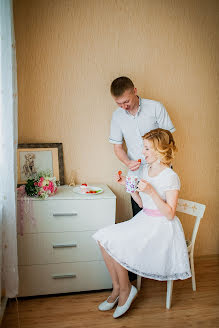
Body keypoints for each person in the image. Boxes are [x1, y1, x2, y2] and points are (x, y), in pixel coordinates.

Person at [93, 128, 191, 318]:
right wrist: (126, 185)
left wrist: (152, 191)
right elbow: (140, 203)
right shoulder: (146, 169)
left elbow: (170, 214)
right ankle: (117, 288)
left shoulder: (170, 176)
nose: (143, 152)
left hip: (162, 227)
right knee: (103, 238)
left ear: (160, 150)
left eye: (146, 148)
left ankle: (126, 291)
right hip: (145, 219)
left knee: (116, 243)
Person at [109, 76, 176, 217]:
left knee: (163, 214)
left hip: (160, 173)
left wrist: (160, 168)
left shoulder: (156, 107)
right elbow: (117, 147)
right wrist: (127, 162)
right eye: (119, 104)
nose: (124, 107)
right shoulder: (117, 116)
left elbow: (168, 140)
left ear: (134, 91)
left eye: (126, 101)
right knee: (141, 215)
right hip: (136, 175)